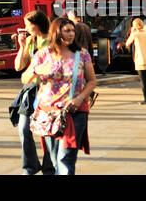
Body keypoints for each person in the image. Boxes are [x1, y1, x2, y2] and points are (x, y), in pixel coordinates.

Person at [26, 16, 98, 175]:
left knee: (65, 159)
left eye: (72, 30)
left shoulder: (82, 54)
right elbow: (25, 78)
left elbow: (92, 81)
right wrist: (37, 70)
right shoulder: (43, 54)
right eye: (67, 31)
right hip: (48, 113)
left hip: (74, 113)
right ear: (56, 32)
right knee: (52, 158)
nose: (71, 34)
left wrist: (79, 98)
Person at [13, 10, 51, 174]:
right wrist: (22, 47)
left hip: (48, 91)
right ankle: (31, 165)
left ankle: (50, 167)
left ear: (37, 25)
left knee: (48, 131)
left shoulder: (52, 40)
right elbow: (18, 66)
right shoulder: (29, 40)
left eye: (28, 25)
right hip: (30, 91)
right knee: (23, 128)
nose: (25, 28)